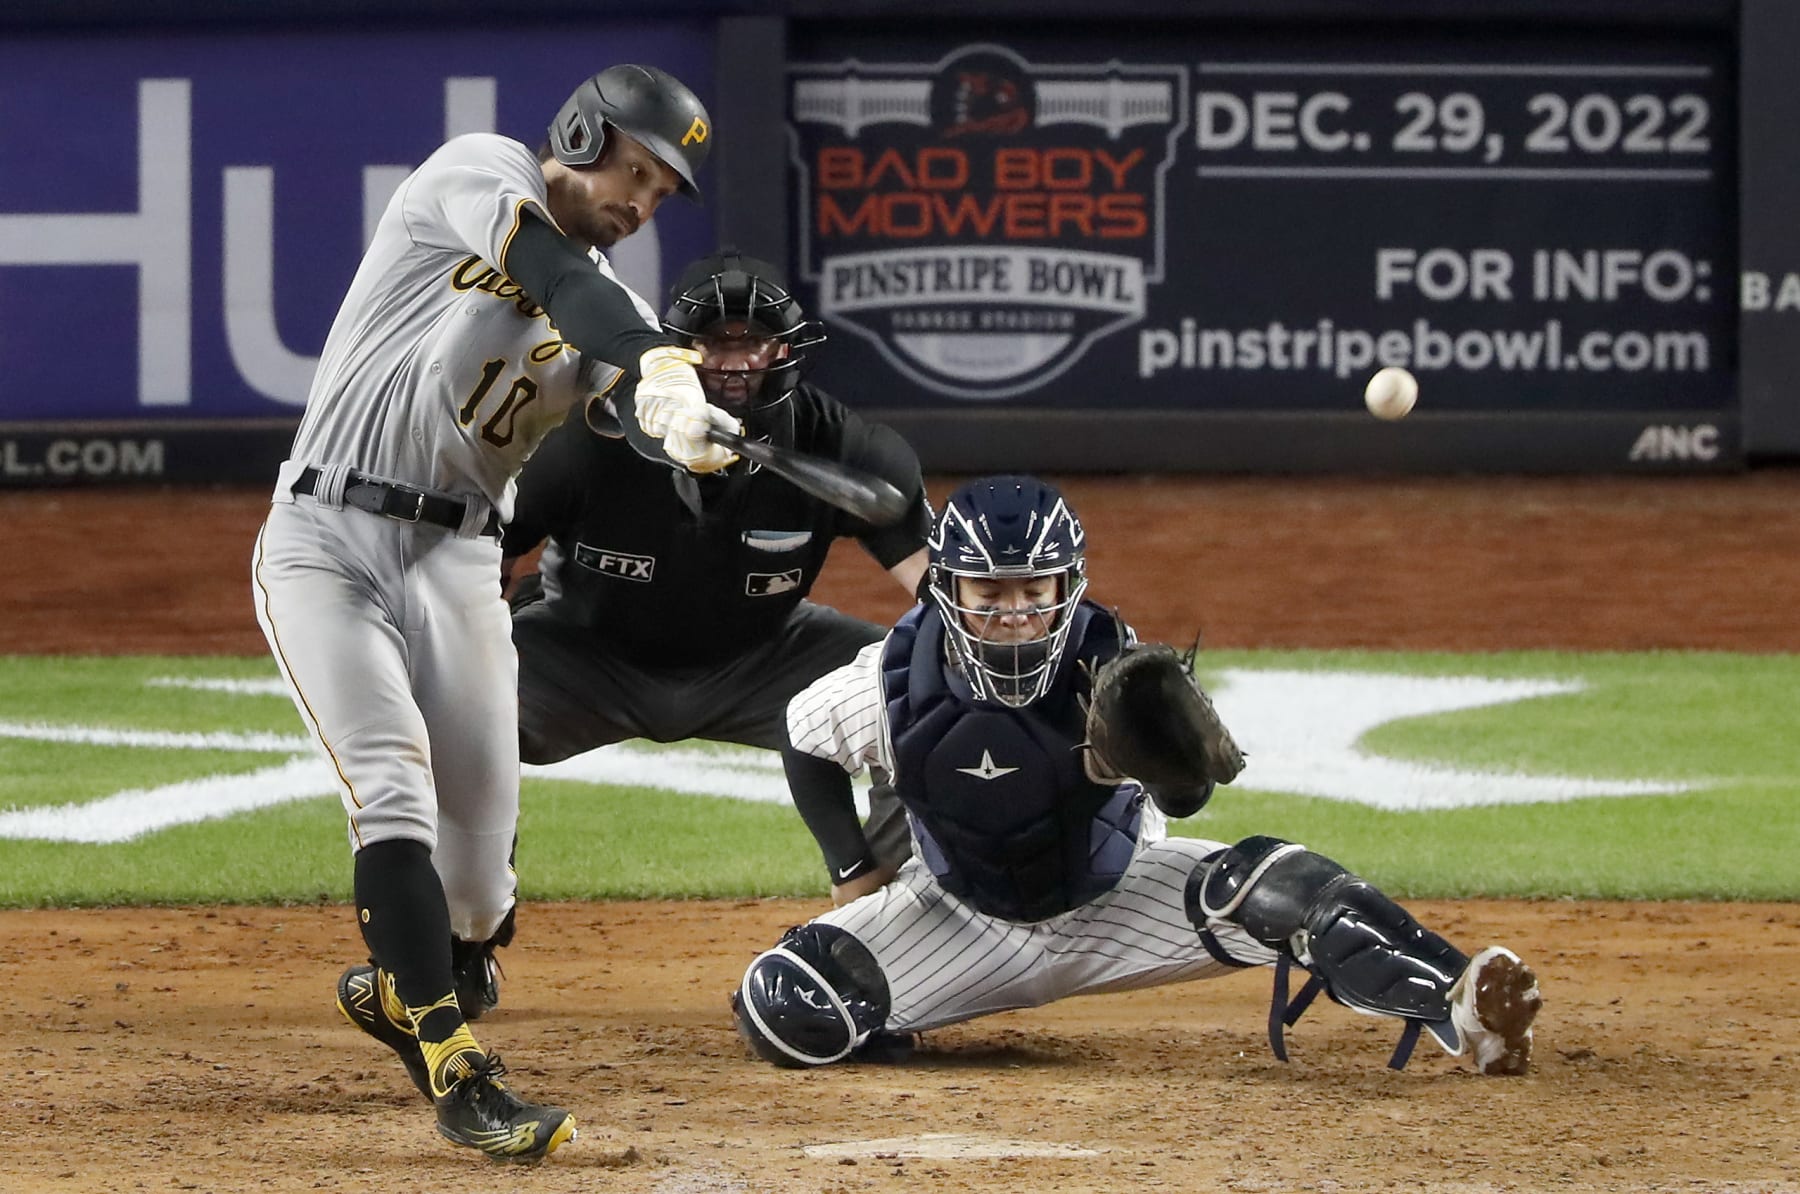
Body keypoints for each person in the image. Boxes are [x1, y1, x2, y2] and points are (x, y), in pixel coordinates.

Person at [250, 64, 739, 1162]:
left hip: (462, 565)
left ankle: (415, 984)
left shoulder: (615, 306)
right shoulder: (478, 174)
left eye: (664, 192)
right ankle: (458, 1072)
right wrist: (650, 353)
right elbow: (557, 278)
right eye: (637, 170)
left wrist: (682, 424)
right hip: (327, 538)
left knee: (478, 896)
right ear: (581, 130)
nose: (643, 201)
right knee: (391, 787)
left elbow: (624, 389)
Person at [731, 475, 1544, 1076]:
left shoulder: (1119, 674)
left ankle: (1463, 1006)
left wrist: (1148, 768)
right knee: (784, 1006)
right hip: (959, 920)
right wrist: (851, 867)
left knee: (1283, 884)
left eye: (1033, 591)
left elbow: (1186, 798)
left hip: (1120, 902)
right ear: (947, 589)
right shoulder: (893, 679)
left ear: (1067, 586)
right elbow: (804, 737)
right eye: (990, 591)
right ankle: (912, 1016)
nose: (1013, 611)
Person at [452, 250, 931, 1017]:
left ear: (786, 352)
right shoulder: (583, 444)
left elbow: (940, 597)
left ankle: (890, 928)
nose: (735, 361)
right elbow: (480, 560)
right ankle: (463, 939)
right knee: (457, 705)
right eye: (714, 342)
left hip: (766, 657)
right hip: (583, 655)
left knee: (917, 689)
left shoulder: (838, 446)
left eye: (753, 342)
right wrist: (482, 654)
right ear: (675, 352)